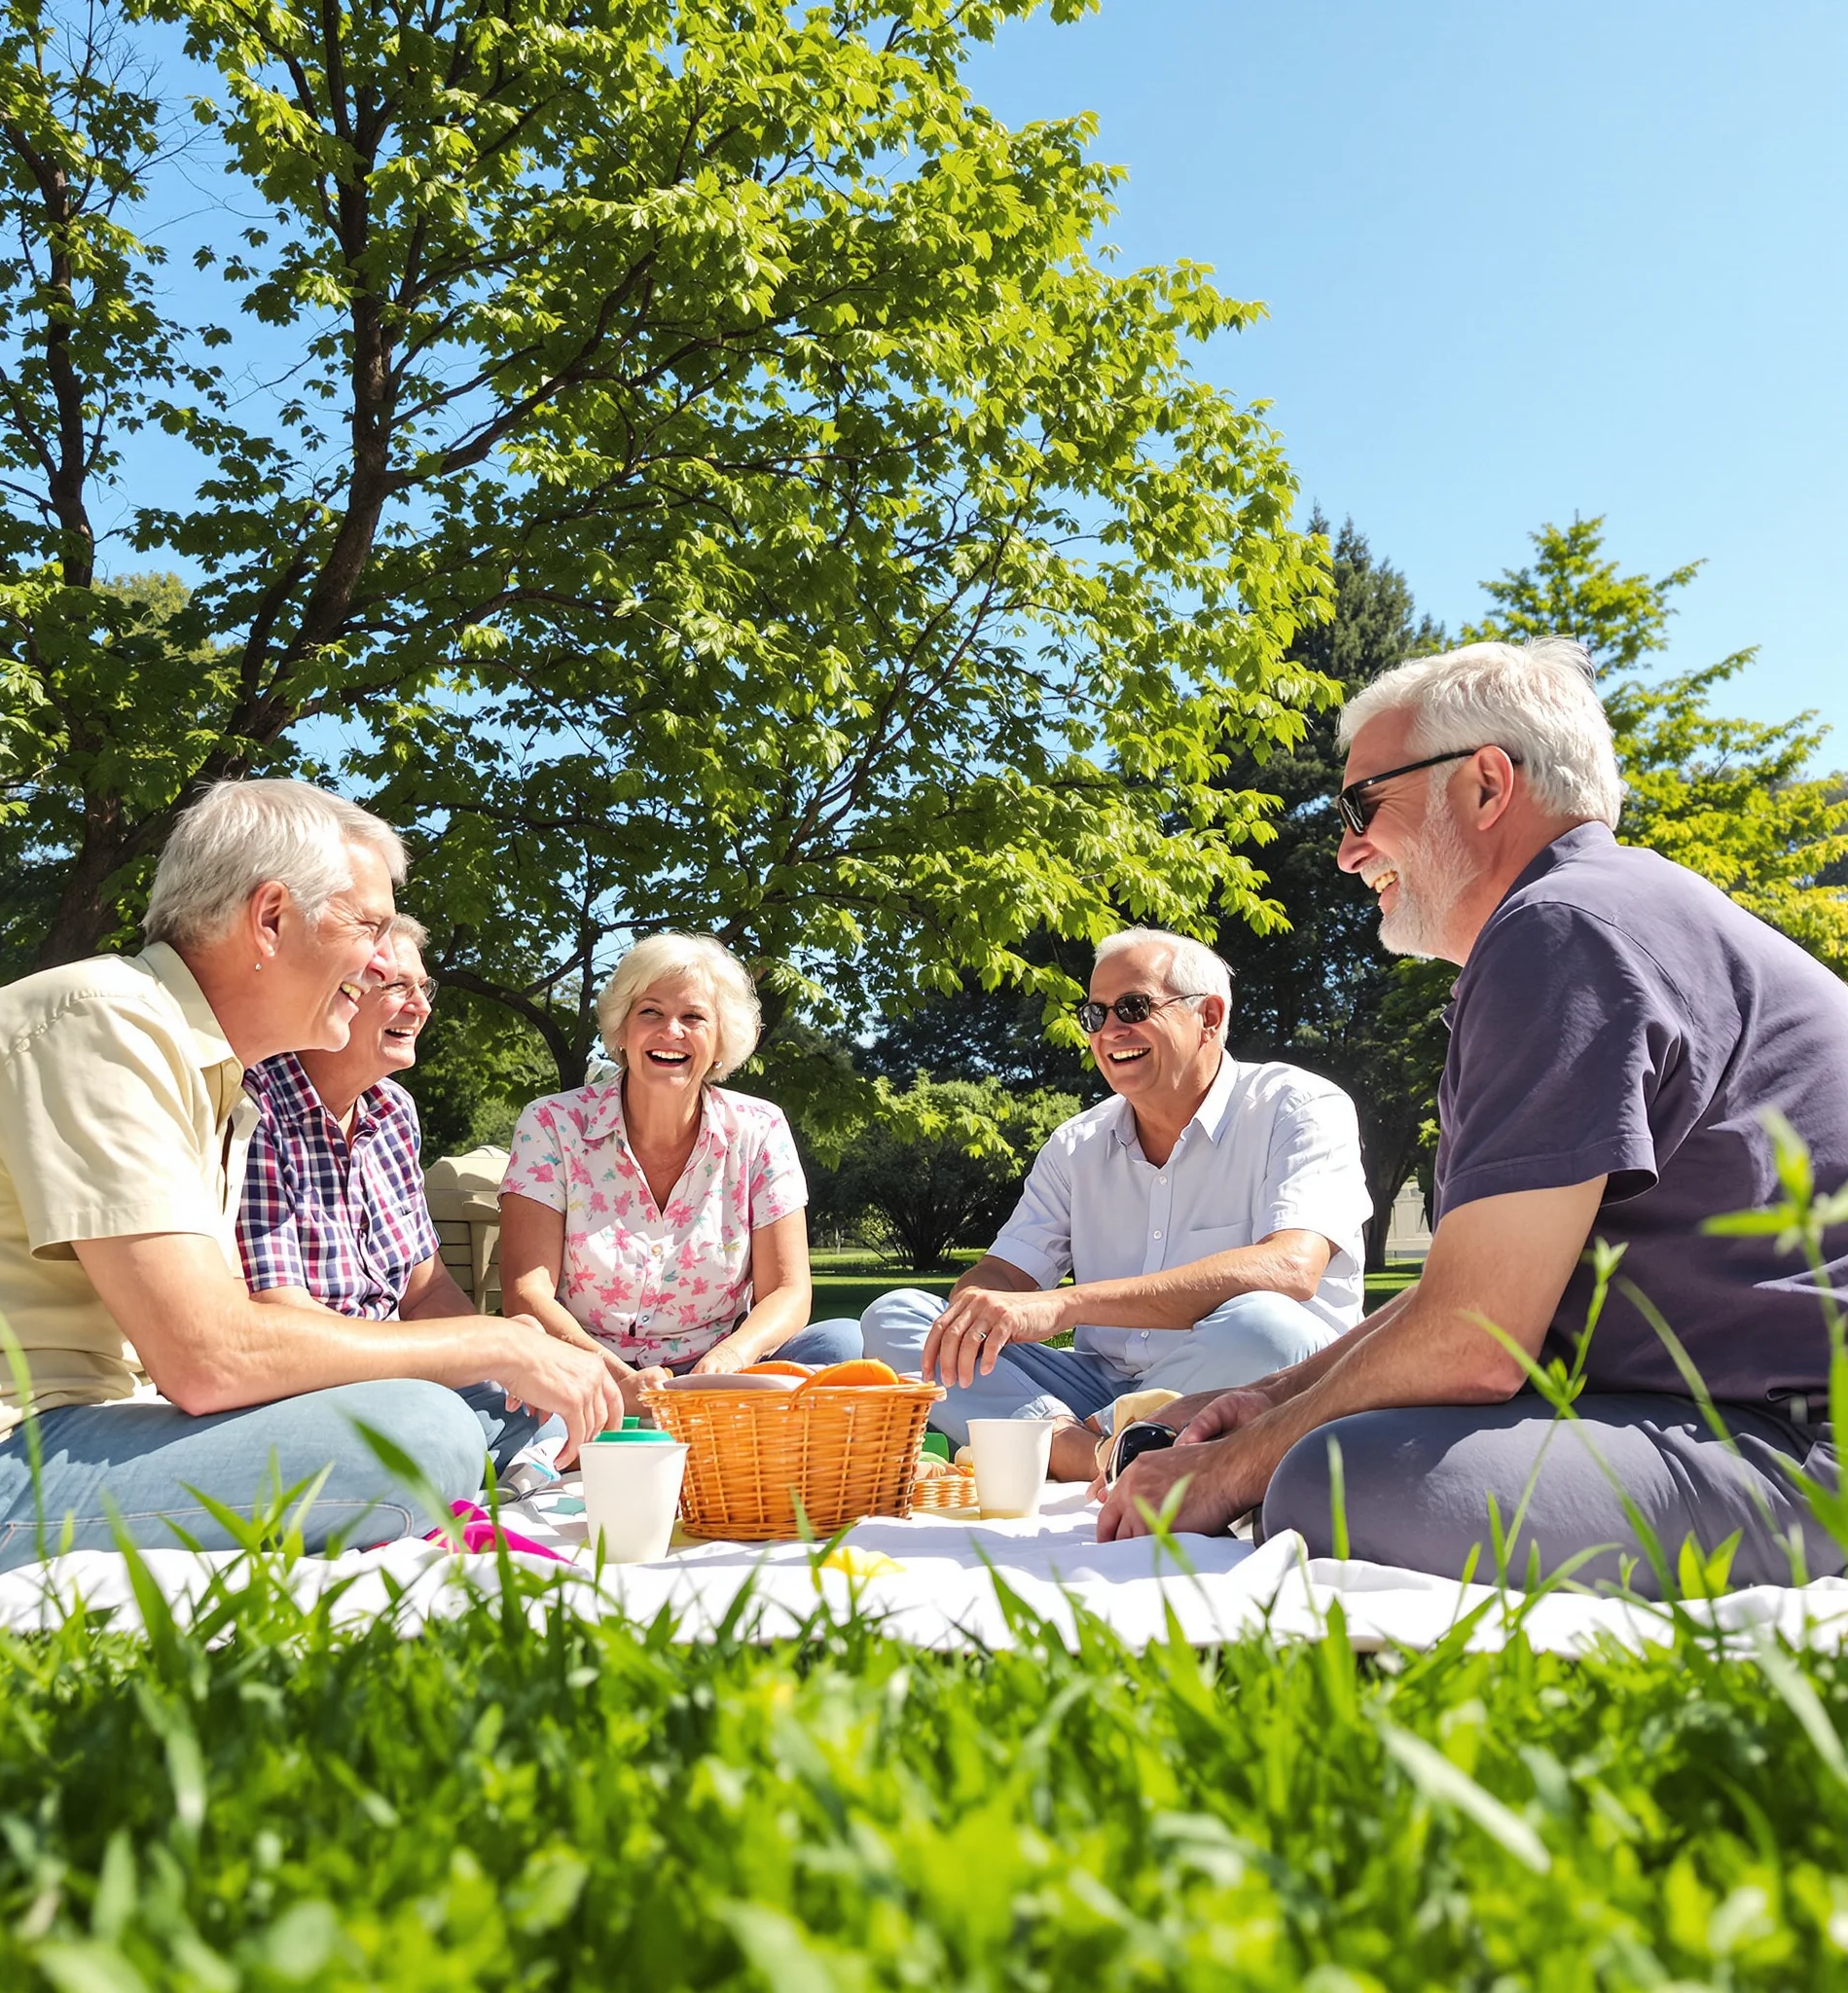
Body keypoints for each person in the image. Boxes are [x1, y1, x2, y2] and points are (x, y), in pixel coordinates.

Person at [1100, 638, 1848, 1593]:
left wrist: (1227, 1468)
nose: (1343, 849)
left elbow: (1472, 1342)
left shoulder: (1559, 930)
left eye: (1360, 804)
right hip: (1748, 1420)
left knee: (1333, 1482)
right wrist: (1268, 1396)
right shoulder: (1602, 910)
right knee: (1311, 1445)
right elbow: (1471, 1293)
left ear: (1485, 785)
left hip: (1797, 1449)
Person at [0, 781, 619, 1592]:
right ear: (270, 918)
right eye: (368, 926)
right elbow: (209, 1358)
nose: (382, 964)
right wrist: (497, 1343)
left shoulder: (205, 1069)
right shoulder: (103, 1026)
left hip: (43, 1435)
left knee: (430, 1424)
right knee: (419, 1435)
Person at [861, 930, 1370, 1476]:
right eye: (1094, 1014)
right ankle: (1096, 1451)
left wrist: (1066, 1304)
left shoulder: (1298, 1105)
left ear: (1210, 1017)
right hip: (1095, 1386)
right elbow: (1003, 1274)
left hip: (1253, 1379)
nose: (1109, 1030)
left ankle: (1069, 1445)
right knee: (900, 1317)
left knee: (1270, 1326)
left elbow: (1291, 1268)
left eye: (1133, 1006)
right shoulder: (1076, 1144)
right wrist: (976, 1313)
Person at [499, 933, 861, 1407]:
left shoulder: (759, 1128)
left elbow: (789, 1291)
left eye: (693, 1017)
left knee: (844, 1345)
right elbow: (526, 1292)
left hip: (721, 1374)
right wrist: (613, 1379)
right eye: (650, 1012)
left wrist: (732, 1355)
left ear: (719, 1043)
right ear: (622, 1032)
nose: (671, 1030)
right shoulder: (551, 1124)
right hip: (581, 1366)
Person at [238, 917, 479, 1324]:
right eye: (397, 985)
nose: (422, 1006)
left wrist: (499, 1356)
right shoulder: (256, 1104)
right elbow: (279, 1313)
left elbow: (428, 1291)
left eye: (425, 987)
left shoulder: (395, 1111)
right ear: (339, 994)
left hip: (407, 1370)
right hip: (308, 1378)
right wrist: (474, 1351)